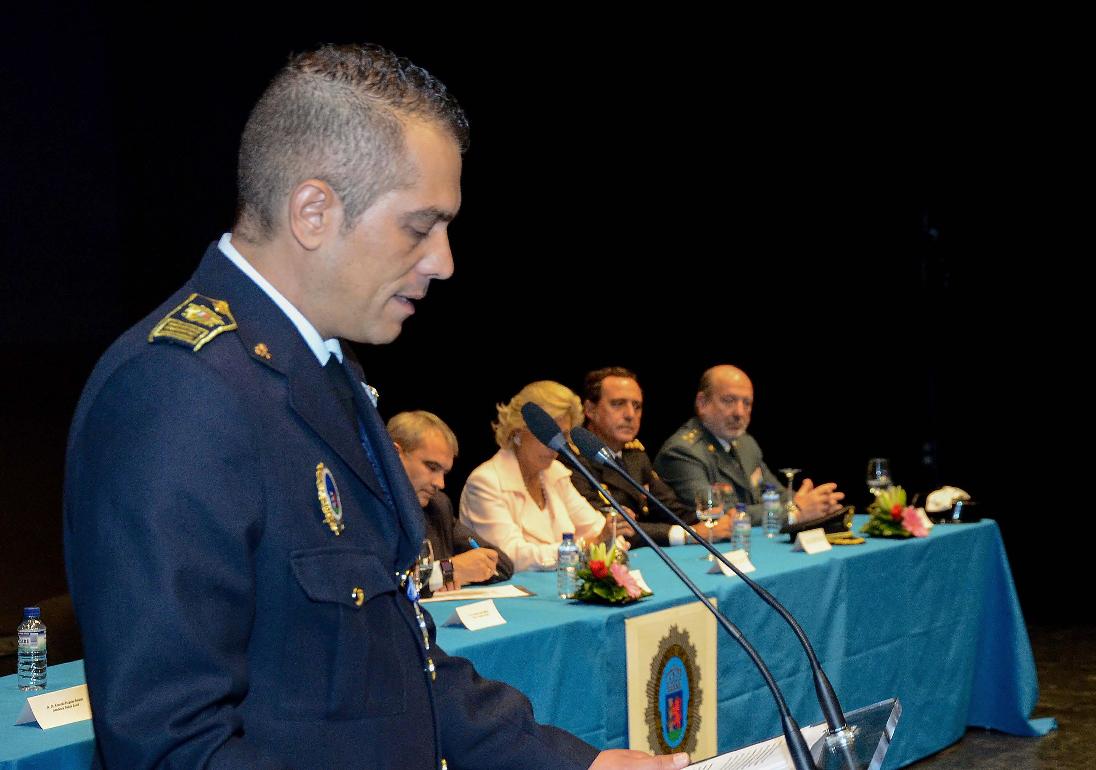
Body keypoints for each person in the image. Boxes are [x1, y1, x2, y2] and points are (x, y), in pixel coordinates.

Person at [62, 43, 684, 770]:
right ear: (314, 210)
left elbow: (399, 658)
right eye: (421, 226)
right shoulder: (178, 394)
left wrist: (573, 765)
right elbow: (175, 747)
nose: (444, 261)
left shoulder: (322, 371)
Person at [460, 380, 634, 572]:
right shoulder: (486, 482)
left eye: (563, 436)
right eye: (547, 435)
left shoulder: (555, 473)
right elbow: (511, 557)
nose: (556, 445)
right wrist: (588, 546)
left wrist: (609, 532)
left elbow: (604, 533)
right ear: (517, 431)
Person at [654, 364, 844, 525]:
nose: (739, 412)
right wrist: (794, 510)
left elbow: (774, 492)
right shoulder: (682, 452)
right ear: (702, 403)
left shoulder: (746, 443)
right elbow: (720, 515)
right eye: (729, 401)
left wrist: (813, 502)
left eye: (747, 403)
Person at [565, 367, 731, 547]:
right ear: (590, 409)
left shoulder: (634, 455)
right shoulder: (573, 460)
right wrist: (689, 534)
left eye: (636, 406)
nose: (630, 415)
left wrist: (719, 521)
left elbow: (669, 508)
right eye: (618, 404)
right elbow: (611, 527)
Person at [388, 409, 514, 589]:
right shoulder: (363, 508)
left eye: (444, 472)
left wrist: (459, 573)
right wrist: (447, 571)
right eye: (432, 467)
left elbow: (501, 563)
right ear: (394, 454)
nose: (440, 483)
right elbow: (376, 585)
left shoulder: (438, 506)